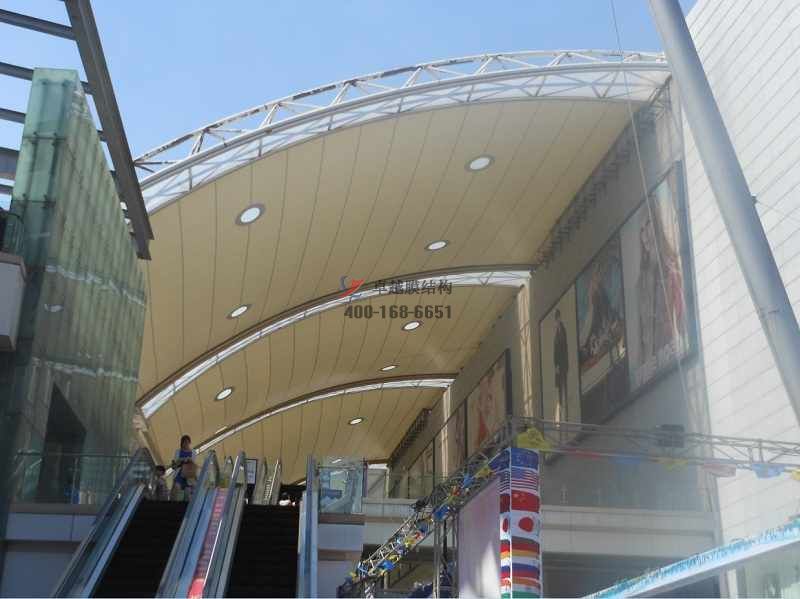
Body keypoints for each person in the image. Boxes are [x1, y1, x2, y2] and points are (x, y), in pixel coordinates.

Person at [553, 308, 569, 422]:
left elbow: (562, 348)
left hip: (563, 363)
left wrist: (559, 364)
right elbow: (555, 350)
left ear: (559, 317)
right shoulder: (557, 331)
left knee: (564, 385)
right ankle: (561, 408)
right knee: (560, 387)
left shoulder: (562, 329)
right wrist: (556, 365)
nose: (557, 320)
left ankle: (565, 410)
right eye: (556, 318)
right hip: (559, 365)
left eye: (557, 318)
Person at [171, 435, 197, 501]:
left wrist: (189, 460)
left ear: (189, 443)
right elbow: (175, 463)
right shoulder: (178, 451)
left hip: (188, 474)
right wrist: (182, 460)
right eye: (184, 442)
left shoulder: (193, 452)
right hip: (180, 473)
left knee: (187, 492)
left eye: (187, 442)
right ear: (182, 443)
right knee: (176, 488)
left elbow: (193, 462)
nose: (185, 444)